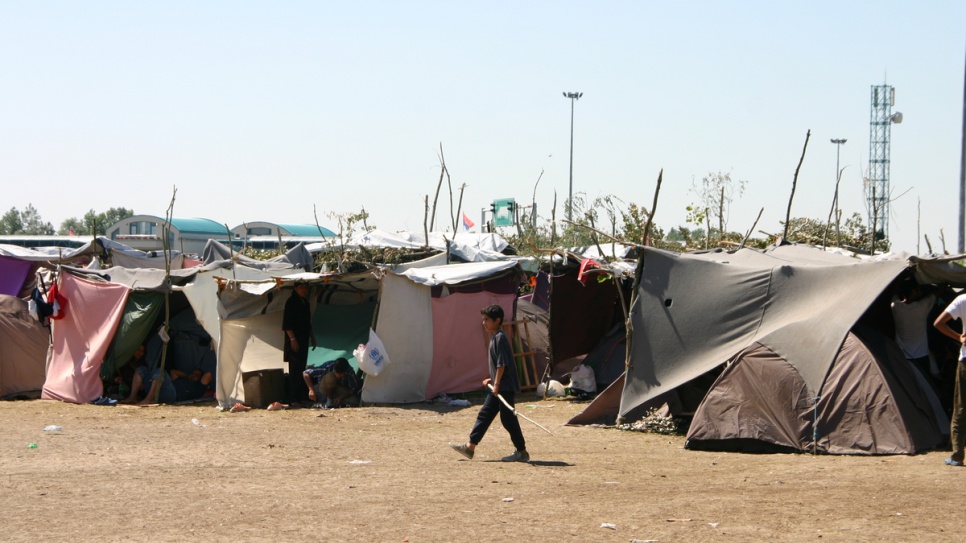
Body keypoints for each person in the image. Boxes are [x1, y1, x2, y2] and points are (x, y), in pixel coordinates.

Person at [450, 304, 529, 462]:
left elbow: (502, 364)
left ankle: (522, 452)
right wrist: (491, 380)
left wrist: (497, 383)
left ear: (497, 320)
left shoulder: (500, 338)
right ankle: (470, 447)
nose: (483, 323)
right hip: (498, 386)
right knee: (485, 415)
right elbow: (498, 365)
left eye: (487, 320)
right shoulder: (496, 337)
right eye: (483, 319)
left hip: (504, 387)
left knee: (508, 420)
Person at [933, 291, 966, 467]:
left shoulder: (962, 300)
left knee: (961, 407)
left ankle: (957, 455)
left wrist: (959, 337)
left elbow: (938, 323)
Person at [891, 279, 936, 379]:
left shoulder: (896, 306)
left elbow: (894, 293)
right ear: (914, 292)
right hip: (921, 356)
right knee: (924, 386)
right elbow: (936, 294)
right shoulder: (922, 307)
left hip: (902, 356)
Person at [282, 280, 316, 405]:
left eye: (305, 287)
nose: (304, 290)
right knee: (295, 369)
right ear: (295, 288)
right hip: (294, 340)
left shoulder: (305, 303)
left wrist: (312, 336)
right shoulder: (291, 302)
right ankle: (293, 398)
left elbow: (307, 323)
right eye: (301, 287)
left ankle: (302, 396)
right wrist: (292, 339)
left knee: (302, 368)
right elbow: (287, 324)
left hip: (303, 338)